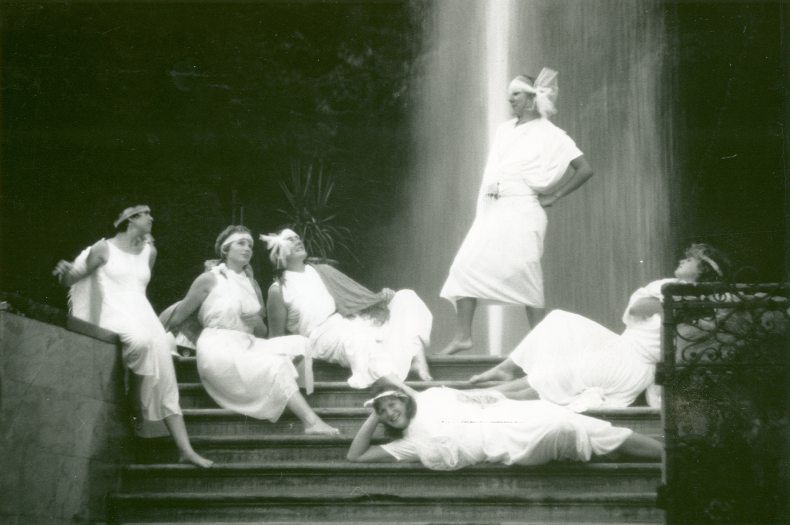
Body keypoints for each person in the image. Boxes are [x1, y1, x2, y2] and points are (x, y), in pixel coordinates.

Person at [439, 68, 594, 355]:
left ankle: (540, 343)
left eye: (516, 95)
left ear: (532, 98)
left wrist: (556, 195)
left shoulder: (552, 134)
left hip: (524, 210)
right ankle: (463, 336)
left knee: (526, 271)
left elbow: (585, 169)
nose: (510, 100)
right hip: (493, 210)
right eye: (509, 95)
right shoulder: (503, 130)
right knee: (463, 267)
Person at [468, 243, 731, 412]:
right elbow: (638, 308)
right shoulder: (668, 285)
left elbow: (683, 332)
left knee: (563, 374)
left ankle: (490, 397)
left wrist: (674, 306)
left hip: (635, 363)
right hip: (622, 344)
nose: (683, 260)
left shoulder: (707, 305)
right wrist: (671, 306)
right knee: (560, 321)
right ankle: (505, 370)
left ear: (704, 270)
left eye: (692, 259)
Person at [52, 205, 213, 467]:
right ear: (130, 219)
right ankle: (135, 402)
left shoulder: (150, 251)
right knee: (140, 341)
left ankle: (186, 449)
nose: (152, 218)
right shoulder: (103, 249)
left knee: (166, 371)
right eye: (146, 214)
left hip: (142, 312)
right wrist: (64, 271)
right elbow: (71, 280)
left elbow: (139, 287)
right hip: (113, 312)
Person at [162, 225, 339, 436]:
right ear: (225, 250)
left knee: (299, 343)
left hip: (247, 343)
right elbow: (178, 316)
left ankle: (289, 400)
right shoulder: (209, 279)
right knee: (275, 364)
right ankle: (311, 421)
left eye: (250, 245)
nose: (247, 248)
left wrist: (256, 321)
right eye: (241, 243)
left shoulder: (252, 284)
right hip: (218, 348)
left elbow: (262, 332)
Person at [346, 375, 661, 469]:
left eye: (391, 404)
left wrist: (387, 391)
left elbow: (392, 380)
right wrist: (373, 413)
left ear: (403, 399)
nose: (390, 412)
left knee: (582, 424)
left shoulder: (427, 397)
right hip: (503, 444)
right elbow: (355, 455)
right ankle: (600, 450)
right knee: (561, 429)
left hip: (507, 415)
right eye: (383, 412)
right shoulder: (409, 444)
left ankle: (670, 453)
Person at [263, 228, 433, 389]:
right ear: (277, 251)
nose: (297, 241)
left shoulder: (321, 270)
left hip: (346, 321)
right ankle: (404, 390)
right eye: (289, 239)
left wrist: (380, 298)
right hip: (319, 337)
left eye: (297, 238)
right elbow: (277, 340)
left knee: (405, 297)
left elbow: (353, 297)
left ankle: (418, 359)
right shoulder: (278, 290)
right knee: (359, 339)